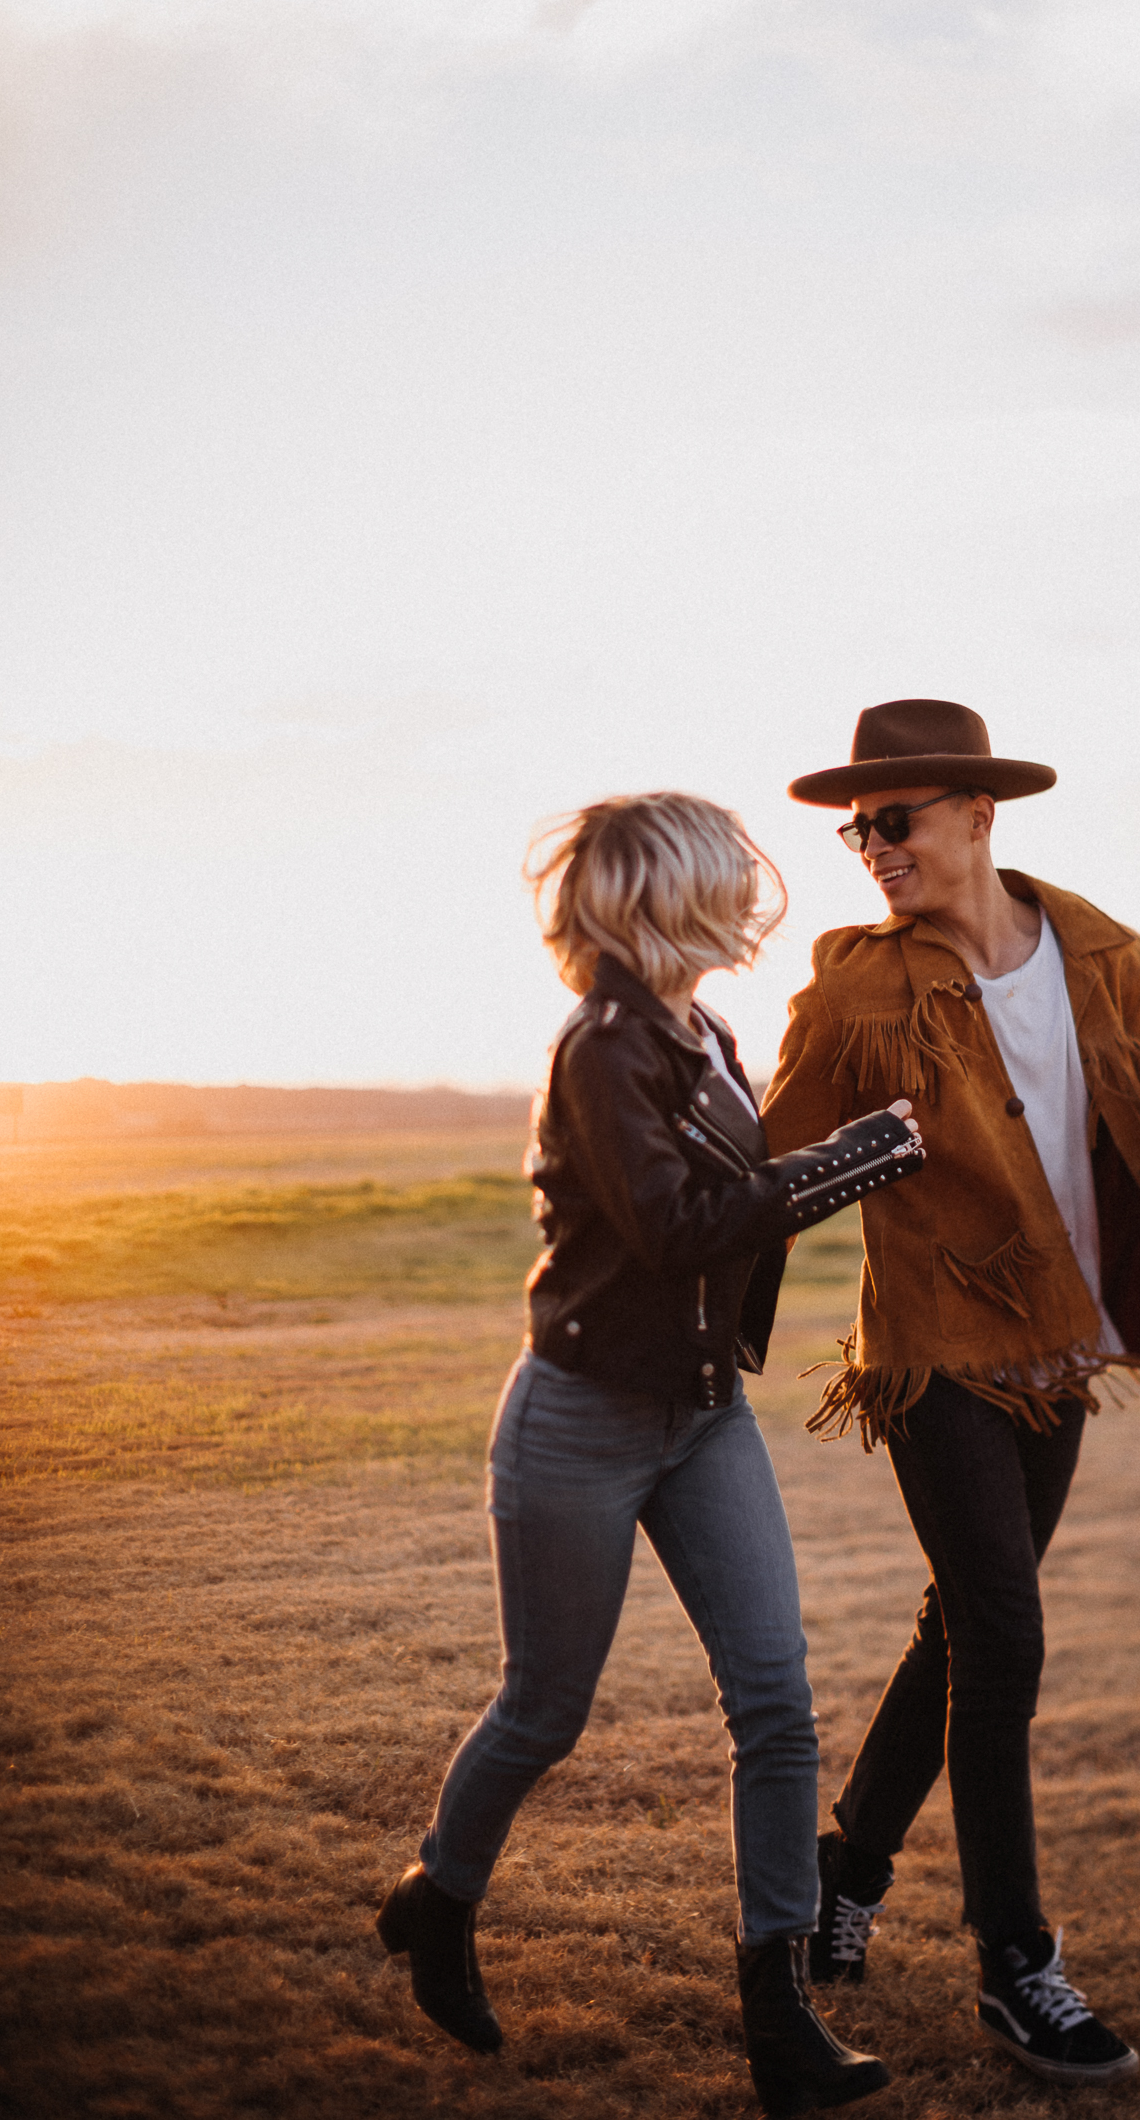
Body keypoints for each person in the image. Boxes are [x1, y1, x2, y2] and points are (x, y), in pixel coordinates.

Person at [761, 700, 1140, 2089]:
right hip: (932, 1355)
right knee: (1005, 1639)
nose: (872, 847)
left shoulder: (1116, 962)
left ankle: (846, 1862)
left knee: (960, 1628)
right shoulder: (853, 992)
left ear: (978, 815)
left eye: (893, 820)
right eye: (857, 826)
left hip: (1059, 1354)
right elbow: (759, 1172)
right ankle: (1018, 1966)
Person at [377, 791, 927, 2119]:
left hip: (700, 1416)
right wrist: (853, 1161)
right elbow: (681, 1225)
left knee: (777, 1700)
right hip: (579, 1416)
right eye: (723, 878)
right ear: (657, 895)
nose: (750, 896)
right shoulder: (603, 1049)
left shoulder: (704, 1028)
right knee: (545, 1709)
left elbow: (736, 1207)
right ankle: (438, 1896)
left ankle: (779, 2009)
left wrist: (851, 1147)